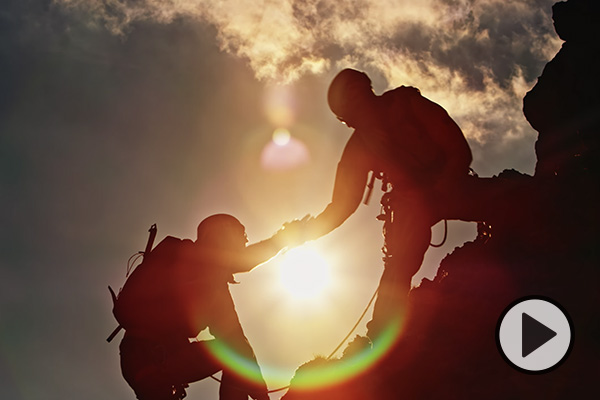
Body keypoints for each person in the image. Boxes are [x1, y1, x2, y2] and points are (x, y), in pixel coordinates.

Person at [306, 69, 472, 343]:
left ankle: (381, 336)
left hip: (447, 184)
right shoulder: (360, 146)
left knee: (506, 201)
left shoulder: (407, 106)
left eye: (356, 95)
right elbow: (343, 205)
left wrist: (440, 189)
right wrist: (305, 231)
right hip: (413, 201)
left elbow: (458, 152)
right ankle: (382, 333)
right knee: (400, 264)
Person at [116, 214, 305, 400]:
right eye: (241, 233)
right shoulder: (197, 261)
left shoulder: (205, 276)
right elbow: (238, 346)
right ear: (222, 234)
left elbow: (236, 339)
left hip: (144, 359)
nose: (245, 240)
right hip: (155, 358)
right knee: (234, 355)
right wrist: (261, 395)